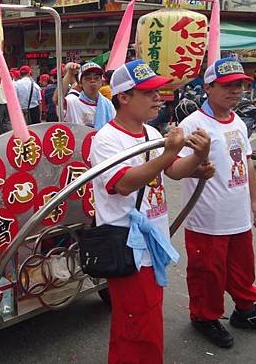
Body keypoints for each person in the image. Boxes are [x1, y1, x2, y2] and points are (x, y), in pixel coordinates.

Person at [91, 59, 213, 364]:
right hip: (126, 243)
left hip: (151, 242)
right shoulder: (106, 139)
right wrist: (169, 153)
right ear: (124, 97)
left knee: (144, 318)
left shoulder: (148, 132)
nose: (159, 98)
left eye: (158, 91)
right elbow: (124, 184)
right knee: (137, 322)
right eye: (149, 92)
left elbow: (172, 171)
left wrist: (198, 157)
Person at [178, 58, 256, 349]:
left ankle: (246, 311)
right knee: (208, 272)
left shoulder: (237, 120)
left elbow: (247, 161)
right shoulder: (193, 125)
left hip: (237, 213)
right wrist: (196, 168)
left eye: (240, 85)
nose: (236, 91)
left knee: (242, 267)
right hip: (206, 217)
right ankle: (204, 316)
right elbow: (175, 168)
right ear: (208, 87)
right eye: (228, 86)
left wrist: (255, 199)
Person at [61, 61, 115, 128]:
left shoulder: (108, 105)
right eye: (88, 78)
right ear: (80, 83)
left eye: (96, 78)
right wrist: (69, 73)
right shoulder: (72, 101)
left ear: (101, 82)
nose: (93, 81)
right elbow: (57, 99)